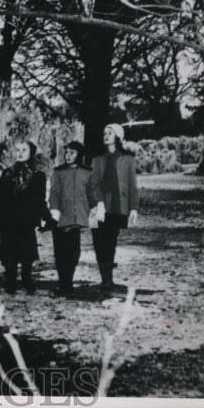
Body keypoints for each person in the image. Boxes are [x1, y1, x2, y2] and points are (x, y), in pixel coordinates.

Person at [0, 139, 50, 294]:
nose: (20, 153)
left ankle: (27, 280)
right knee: (9, 253)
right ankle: (11, 282)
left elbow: (39, 199)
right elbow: (1, 198)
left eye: (24, 150)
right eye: (18, 150)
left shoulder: (38, 175)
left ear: (31, 153)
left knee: (27, 253)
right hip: (8, 219)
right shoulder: (7, 173)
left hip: (26, 220)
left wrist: (46, 217)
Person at [48, 140, 102, 296]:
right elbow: (54, 194)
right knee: (60, 252)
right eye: (67, 152)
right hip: (60, 216)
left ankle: (68, 283)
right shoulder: (58, 172)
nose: (68, 155)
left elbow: (92, 194)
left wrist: (96, 210)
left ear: (79, 155)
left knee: (73, 252)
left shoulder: (88, 172)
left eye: (72, 153)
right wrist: (54, 213)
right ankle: (62, 283)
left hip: (78, 217)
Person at [91, 123, 140, 290]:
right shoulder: (97, 159)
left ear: (118, 136)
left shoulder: (128, 159)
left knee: (110, 241)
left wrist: (134, 208)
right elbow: (94, 184)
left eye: (110, 133)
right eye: (104, 133)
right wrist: (98, 203)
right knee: (98, 241)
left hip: (118, 206)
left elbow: (132, 184)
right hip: (99, 207)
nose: (106, 135)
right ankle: (104, 277)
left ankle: (108, 280)